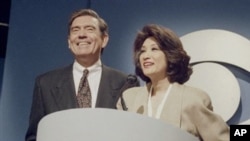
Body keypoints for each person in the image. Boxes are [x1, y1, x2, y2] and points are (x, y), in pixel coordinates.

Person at [25, 9, 139, 141]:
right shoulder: (45, 83)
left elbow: (131, 134)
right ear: (69, 41)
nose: (81, 35)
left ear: (104, 39)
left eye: (89, 29)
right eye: (75, 30)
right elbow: (35, 136)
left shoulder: (125, 83)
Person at [117, 24, 229, 141]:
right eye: (142, 51)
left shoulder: (192, 99)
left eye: (154, 49)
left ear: (170, 55)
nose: (146, 56)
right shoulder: (129, 98)